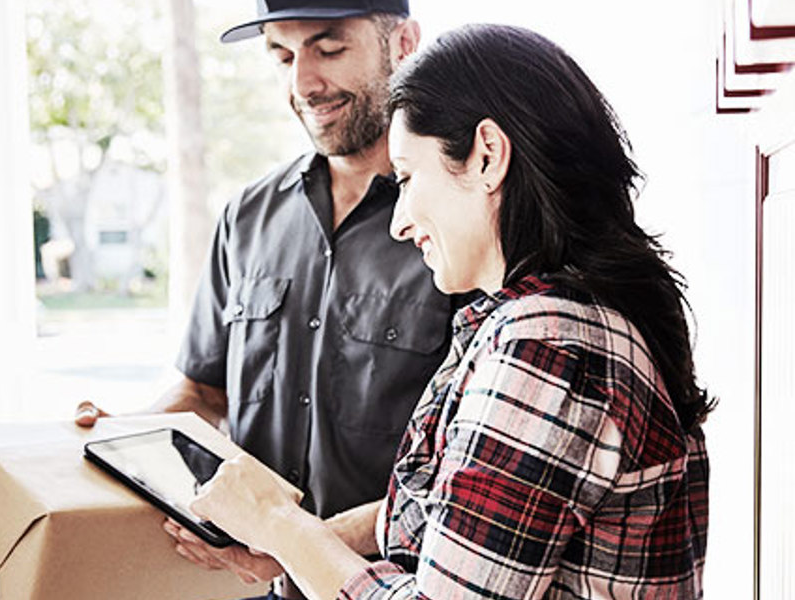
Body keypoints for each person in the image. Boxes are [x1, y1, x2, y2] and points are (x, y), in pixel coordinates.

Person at [186, 24, 713, 600]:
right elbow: (456, 507)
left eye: (408, 178)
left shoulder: (550, 349)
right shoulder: (537, 324)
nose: (399, 220)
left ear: (487, 156)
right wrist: (296, 544)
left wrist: (278, 523)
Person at [76, 1, 463, 597]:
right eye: (283, 55)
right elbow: (203, 393)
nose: (303, 83)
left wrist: (292, 541)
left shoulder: (458, 226)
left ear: (405, 42)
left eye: (329, 48)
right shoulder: (248, 217)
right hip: (259, 590)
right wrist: (114, 437)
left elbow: (464, 469)